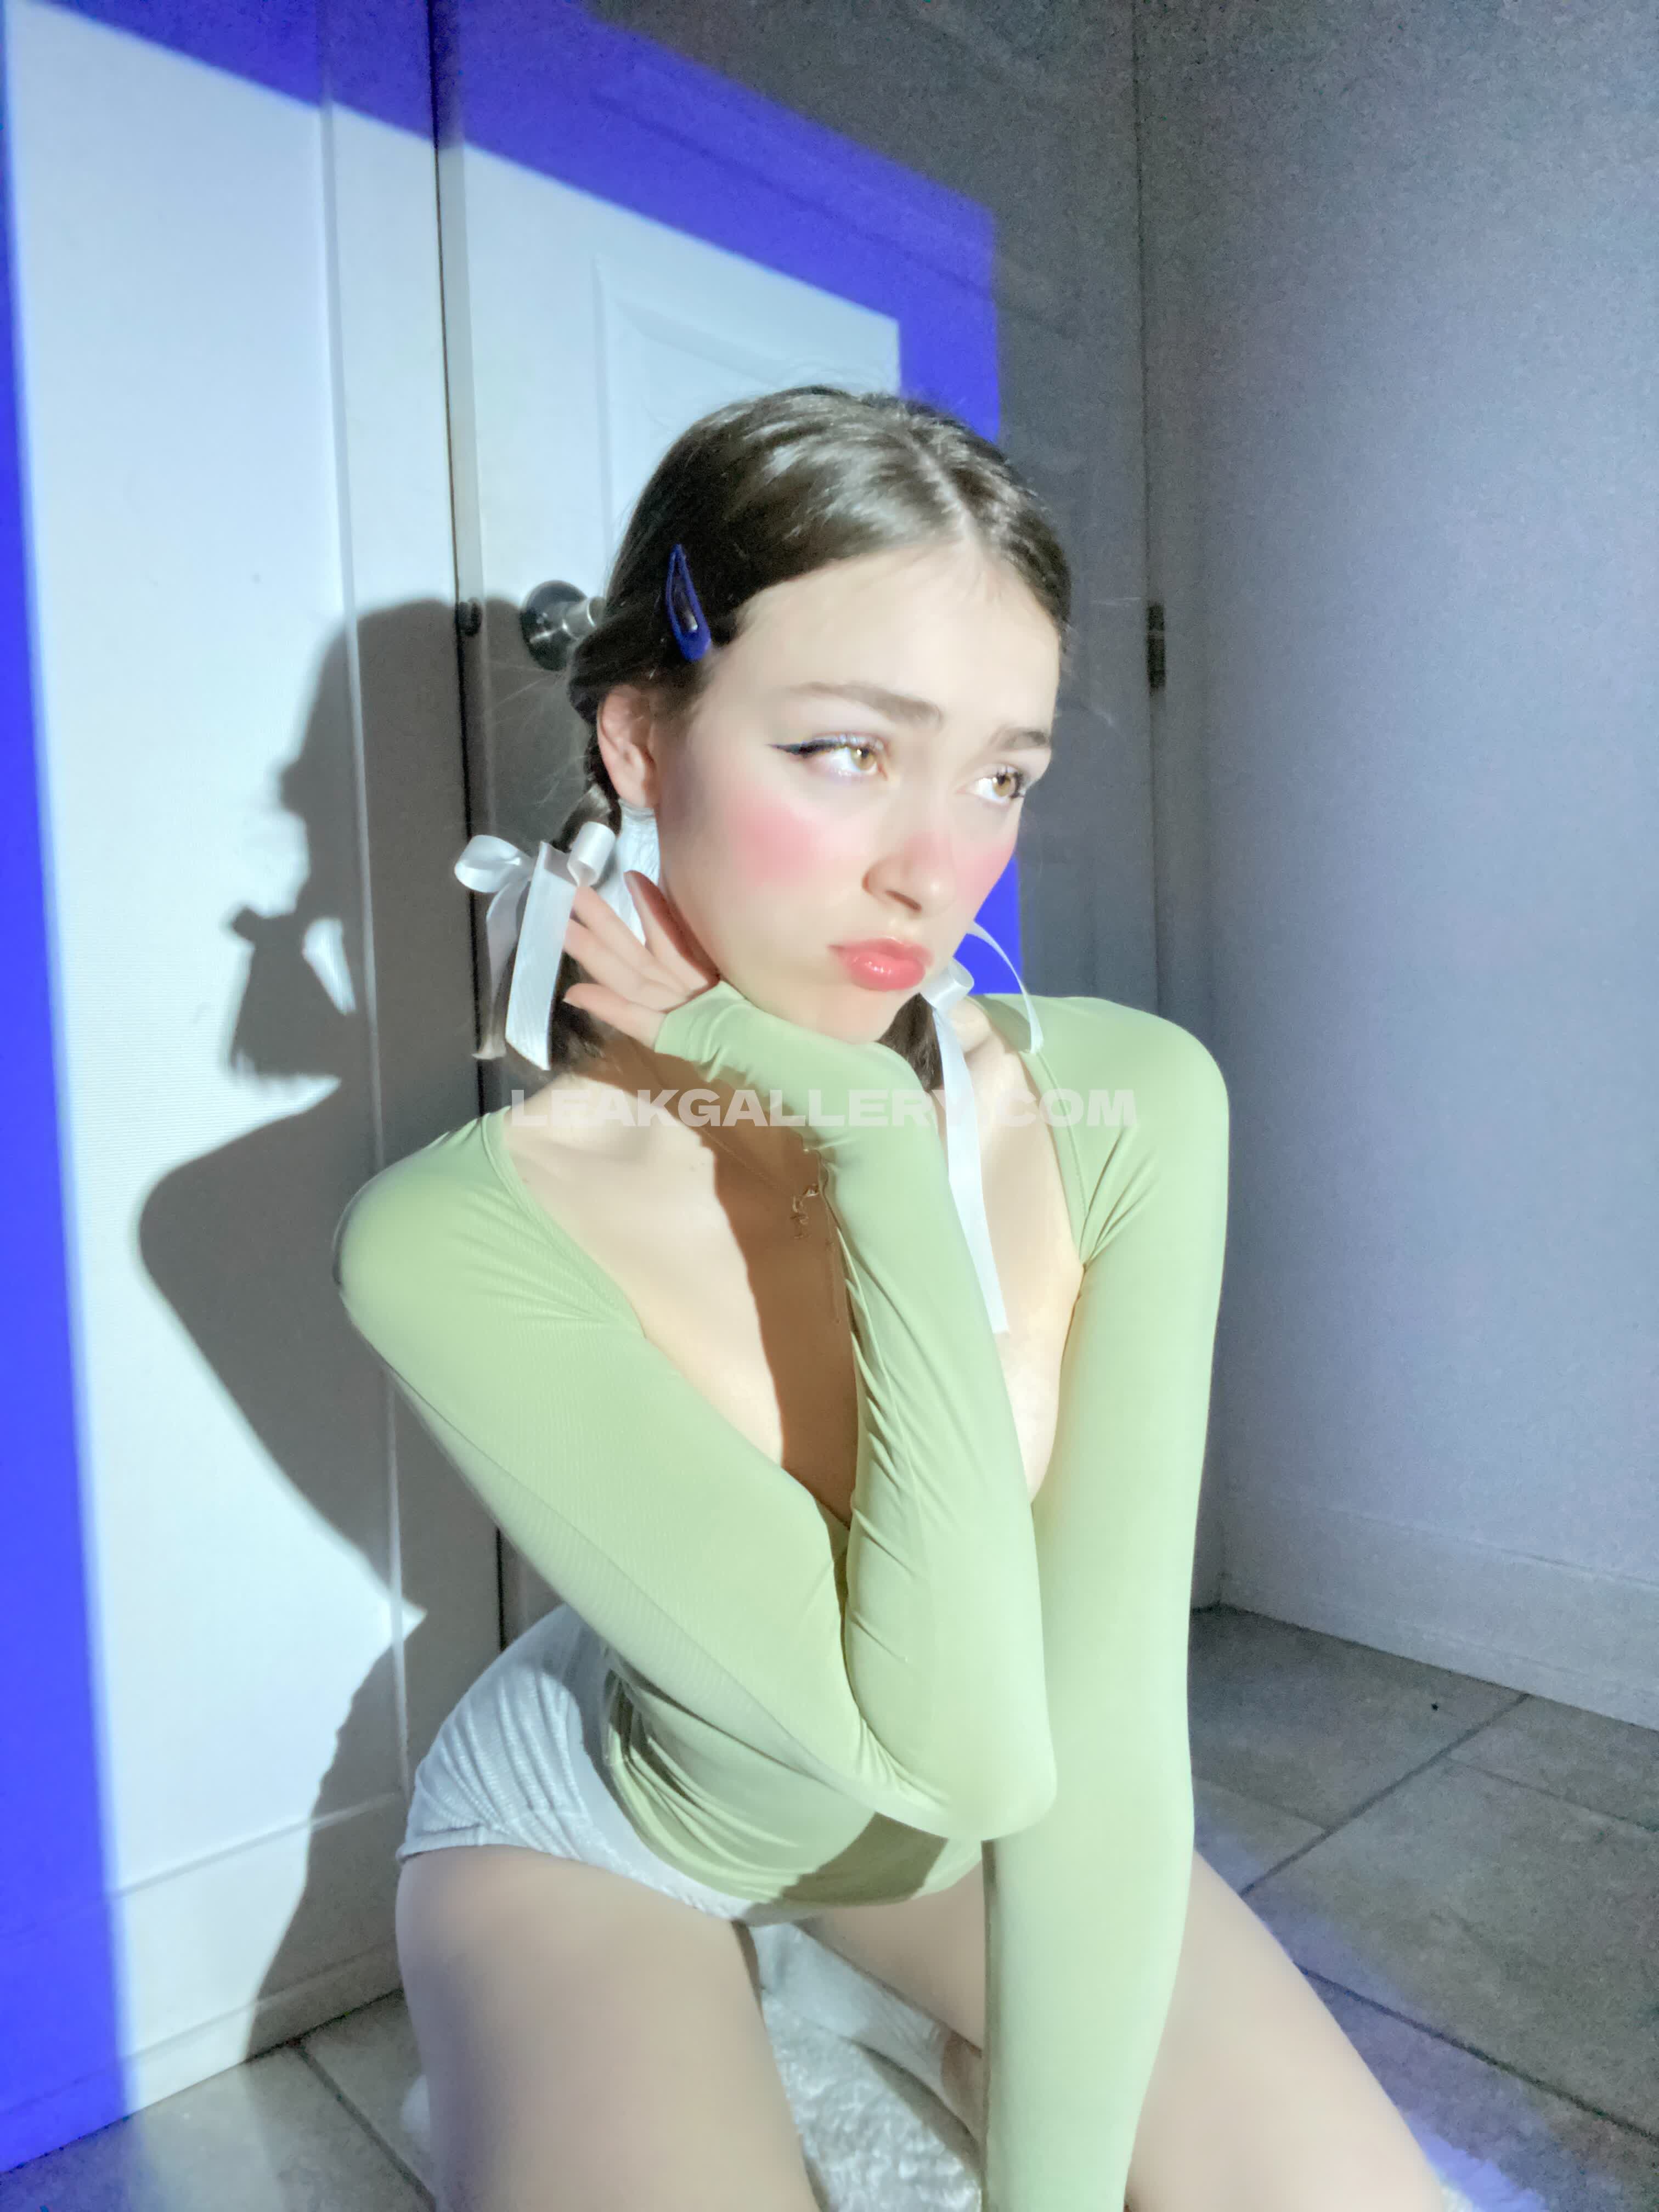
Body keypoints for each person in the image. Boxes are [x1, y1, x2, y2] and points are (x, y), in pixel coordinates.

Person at [332, 387, 1448, 2211]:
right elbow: (968, 1750)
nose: (939, 870)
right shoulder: (451, 1235)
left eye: (1003, 775)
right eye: (850, 750)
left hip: (934, 1848)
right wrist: (858, 1129)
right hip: (613, 1823)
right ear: (642, 738)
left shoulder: (1129, 1103)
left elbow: (1088, 1749)